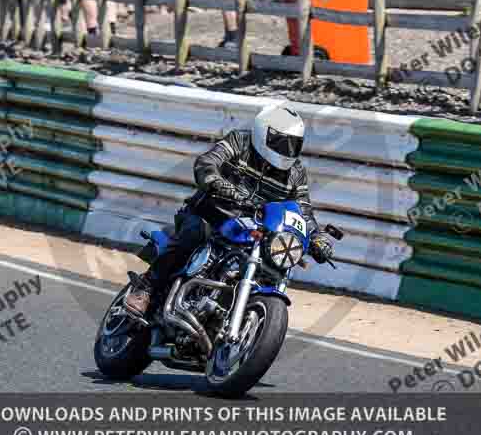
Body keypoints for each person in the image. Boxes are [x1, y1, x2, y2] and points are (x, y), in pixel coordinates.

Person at [123, 103, 334, 318]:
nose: (287, 151)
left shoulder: (296, 173)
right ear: (263, 133)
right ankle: (146, 287)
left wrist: (319, 239)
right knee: (195, 232)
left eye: (293, 145)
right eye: (281, 142)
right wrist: (221, 185)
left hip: (253, 229)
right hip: (210, 213)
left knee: (273, 263)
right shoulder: (239, 141)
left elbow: (303, 211)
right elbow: (207, 162)